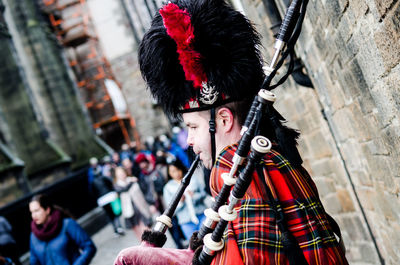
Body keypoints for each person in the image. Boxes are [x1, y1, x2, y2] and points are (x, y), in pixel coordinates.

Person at [138, 0, 348, 264]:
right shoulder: (262, 161)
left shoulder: (235, 173)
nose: (189, 141)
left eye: (193, 127)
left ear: (223, 120)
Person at [29, 194, 96, 265]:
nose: (33, 215)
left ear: (47, 210)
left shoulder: (67, 224)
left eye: (37, 211)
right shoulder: (34, 236)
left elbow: (89, 247)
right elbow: (34, 262)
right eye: (31, 212)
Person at [163, 158, 207, 241]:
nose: (176, 173)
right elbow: (170, 210)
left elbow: (204, 193)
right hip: (185, 221)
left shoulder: (192, 179)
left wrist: (194, 196)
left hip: (201, 214)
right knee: (194, 245)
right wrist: (179, 202)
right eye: (173, 171)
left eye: (177, 170)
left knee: (208, 238)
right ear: (169, 173)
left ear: (181, 168)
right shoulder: (168, 188)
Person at [113, 167, 151, 239]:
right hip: (129, 212)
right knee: (139, 235)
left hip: (140, 209)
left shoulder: (132, 180)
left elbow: (142, 193)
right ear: (116, 176)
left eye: (122, 173)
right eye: (119, 174)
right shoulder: (117, 186)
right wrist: (132, 182)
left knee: (147, 231)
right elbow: (124, 189)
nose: (121, 175)